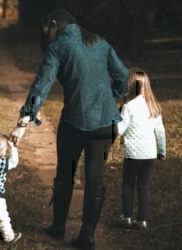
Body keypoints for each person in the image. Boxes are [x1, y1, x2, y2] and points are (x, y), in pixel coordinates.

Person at [10, 9, 129, 249]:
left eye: (48, 29)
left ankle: (58, 227)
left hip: (74, 122)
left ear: (54, 24)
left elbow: (40, 87)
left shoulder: (57, 47)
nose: (48, 35)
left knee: (65, 175)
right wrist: (113, 94)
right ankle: (88, 236)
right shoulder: (99, 41)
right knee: (96, 179)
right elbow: (123, 75)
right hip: (105, 123)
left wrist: (23, 122)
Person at [117, 69, 166, 230]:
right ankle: (142, 220)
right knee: (143, 186)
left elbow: (119, 129)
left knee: (128, 184)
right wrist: (162, 151)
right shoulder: (154, 107)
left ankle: (127, 218)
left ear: (130, 86)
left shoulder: (128, 107)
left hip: (133, 154)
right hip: (150, 154)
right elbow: (160, 131)